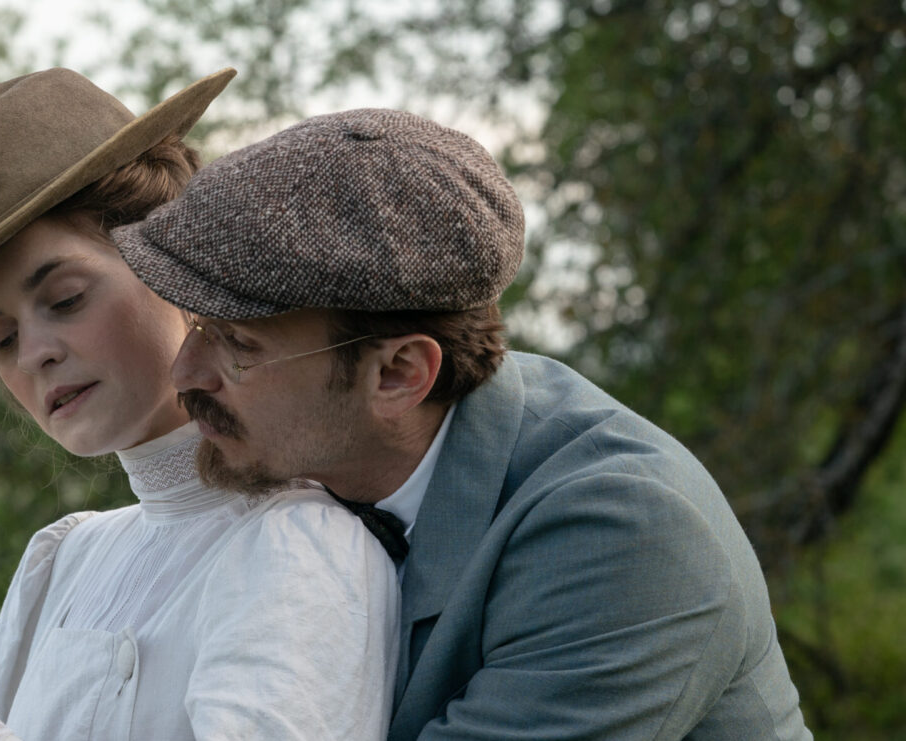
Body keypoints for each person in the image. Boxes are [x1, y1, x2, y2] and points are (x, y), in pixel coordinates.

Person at [113, 108, 813, 740]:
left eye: (238, 345)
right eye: (197, 326)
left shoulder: (626, 534)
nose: (184, 375)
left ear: (398, 374)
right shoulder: (336, 466)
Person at [0, 71, 400, 741]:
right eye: (1, 337)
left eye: (66, 298)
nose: (35, 352)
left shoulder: (297, 542)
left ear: (178, 262)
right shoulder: (65, 560)